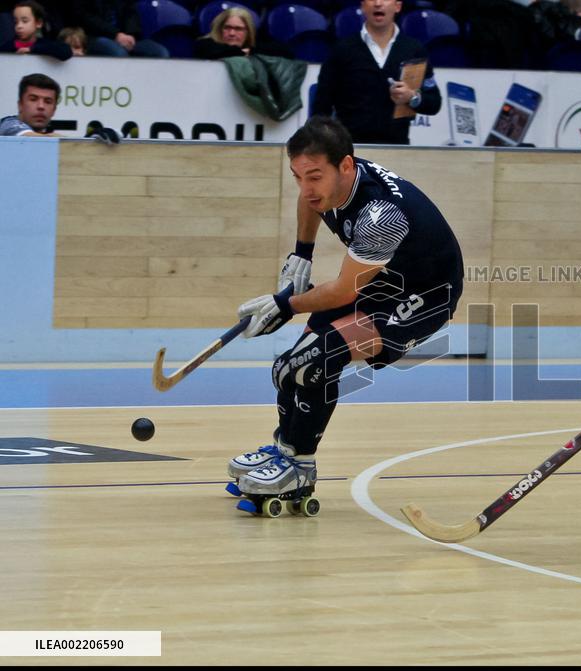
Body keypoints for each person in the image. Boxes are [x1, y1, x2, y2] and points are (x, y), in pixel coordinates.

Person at [226, 116, 464, 513]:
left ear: (346, 167)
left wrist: (284, 304)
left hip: (424, 296)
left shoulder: (381, 216)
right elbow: (310, 201)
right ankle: (285, 450)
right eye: (297, 176)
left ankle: (299, 467)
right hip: (384, 280)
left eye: (314, 176)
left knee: (315, 360)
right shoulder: (331, 181)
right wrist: (301, 252)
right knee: (287, 367)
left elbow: (343, 290)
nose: (306, 188)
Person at [313, 0, 441, 145]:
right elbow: (321, 106)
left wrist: (412, 97)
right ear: (362, 6)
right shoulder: (342, 49)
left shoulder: (414, 50)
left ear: (397, 6)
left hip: (398, 148)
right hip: (349, 149)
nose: (378, 3)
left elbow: (434, 103)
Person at [71, 0, 169, 58]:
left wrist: (130, 35)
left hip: (125, 36)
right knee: (118, 53)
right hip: (93, 36)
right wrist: (116, 35)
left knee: (160, 52)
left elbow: (131, 13)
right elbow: (85, 17)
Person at [193, 7, 292, 60]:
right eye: (227, 28)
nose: (232, 33)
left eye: (238, 29)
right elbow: (214, 52)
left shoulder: (254, 45)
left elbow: (286, 52)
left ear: (248, 32)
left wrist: (249, 51)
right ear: (219, 29)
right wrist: (244, 52)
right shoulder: (205, 45)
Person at [1, 1, 72, 60]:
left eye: (25, 21)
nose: (19, 26)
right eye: (16, 22)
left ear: (39, 23)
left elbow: (66, 52)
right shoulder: (7, 47)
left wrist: (32, 49)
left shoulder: (44, 44)